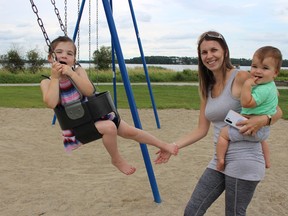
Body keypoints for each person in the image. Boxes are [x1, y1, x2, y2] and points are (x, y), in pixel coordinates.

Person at [154, 31, 282, 215]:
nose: (209, 56)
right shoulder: (207, 86)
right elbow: (201, 129)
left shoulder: (242, 77)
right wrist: (172, 146)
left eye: (214, 50)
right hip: (220, 160)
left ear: (225, 52)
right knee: (192, 211)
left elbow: (276, 109)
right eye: (204, 52)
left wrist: (264, 119)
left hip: (244, 159)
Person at [40, 36, 178, 176]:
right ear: (50, 58)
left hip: (94, 116)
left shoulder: (78, 72)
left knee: (131, 131)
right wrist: (56, 78)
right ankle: (116, 159)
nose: (64, 55)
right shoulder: (47, 82)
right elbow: (51, 102)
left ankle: (164, 145)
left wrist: (71, 73)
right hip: (76, 129)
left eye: (69, 53)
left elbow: (89, 91)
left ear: (74, 60)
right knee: (109, 127)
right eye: (59, 52)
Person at [216, 46, 282, 171]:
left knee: (223, 134)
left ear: (275, 73)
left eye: (265, 68)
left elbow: (246, 103)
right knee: (262, 141)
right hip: (263, 129)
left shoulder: (263, 89)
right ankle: (267, 162)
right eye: (254, 66)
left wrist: (247, 85)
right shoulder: (270, 85)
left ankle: (220, 160)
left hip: (252, 126)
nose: (258, 71)